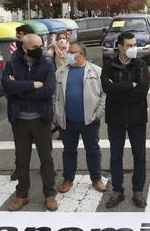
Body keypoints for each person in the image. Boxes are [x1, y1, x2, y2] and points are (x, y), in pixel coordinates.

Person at [1, 34, 58, 212]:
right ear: (24, 48)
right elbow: (6, 86)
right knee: (22, 161)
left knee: (46, 159)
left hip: (41, 119)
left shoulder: (47, 62)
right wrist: (32, 85)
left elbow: (48, 90)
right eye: (35, 47)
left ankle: (49, 195)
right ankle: (21, 195)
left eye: (41, 45)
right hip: (19, 120)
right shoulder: (12, 62)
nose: (39, 49)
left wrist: (19, 88)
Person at [101, 32, 150, 208]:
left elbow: (142, 91)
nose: (133, 48)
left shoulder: (141, 65)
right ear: (120, 47)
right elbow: (107, 88)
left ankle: (138, 190)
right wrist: (130, 85)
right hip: (115, 118)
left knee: (140, 156)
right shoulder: (109, 65)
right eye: (129, 45)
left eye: (134, 44)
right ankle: (117, 190)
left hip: (137, 117)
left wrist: (119, 90)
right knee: (116, 156)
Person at [54, 42, 107, 194]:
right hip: (67, 121)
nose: (68, 54)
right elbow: (54, 96)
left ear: (82, 54)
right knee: (69, 151)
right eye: (68, 51)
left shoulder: (96, 71)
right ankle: (68, 178)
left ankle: (96, 178)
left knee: (93, 150)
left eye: (72, 52)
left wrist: (98, 114)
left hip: (90, 120)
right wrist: (55, 114)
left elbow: (105, 94)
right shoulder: (61, 72)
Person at [8, 23, 35, 182]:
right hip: (17, 107)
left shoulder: (40, 56)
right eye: (17, 37)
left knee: (43, 144)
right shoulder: (14, 56)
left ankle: (47, 169)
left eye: (20, 36)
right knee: (20, 144)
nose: (17, 40)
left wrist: (20, 85)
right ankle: (19, 169)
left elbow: (44, 84)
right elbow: (8, 82)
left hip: (38, 108)